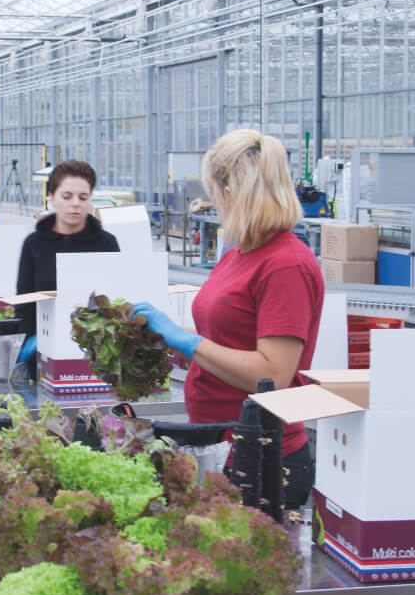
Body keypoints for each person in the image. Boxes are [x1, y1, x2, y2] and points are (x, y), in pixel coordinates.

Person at [132, 130, 324, 507]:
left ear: (231, 191)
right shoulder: (241, 253)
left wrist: (188, 341)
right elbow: (226, 341)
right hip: (219, 445)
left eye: (213, 191)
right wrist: (166, 341)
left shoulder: (285, 264)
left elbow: (271, 375)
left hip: (261, 459)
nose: (211, 202)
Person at [15, 160, 120, 378]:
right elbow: (24, 301)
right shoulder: (34, 244)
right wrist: (29, 341)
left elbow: (115, 298)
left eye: (83, 197)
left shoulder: (107, 243)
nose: (75, 204)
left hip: (94, 353)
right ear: (52, 198)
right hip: (42, 349)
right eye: (67, 196)